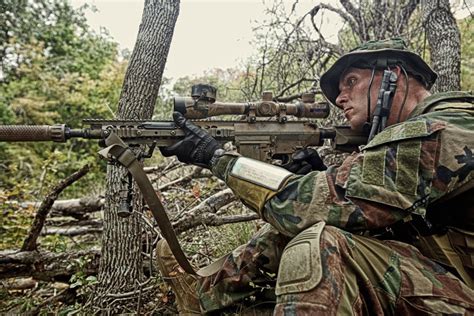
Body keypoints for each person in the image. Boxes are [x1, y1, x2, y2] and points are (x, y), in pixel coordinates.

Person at [157, 38, 474, 315]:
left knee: (321, 242)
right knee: (317, 225)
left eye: (351, 81)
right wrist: (321, 179)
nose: (339, 98)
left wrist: (218, 159)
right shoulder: (420, 133)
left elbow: (321, 204)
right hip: (444, 282)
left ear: (393, 76)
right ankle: (205, 295)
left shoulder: (449, 126)